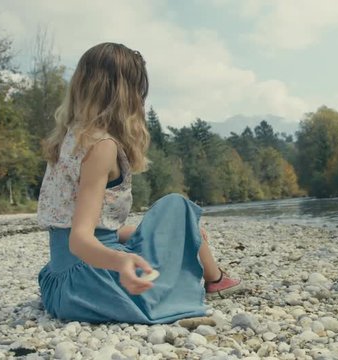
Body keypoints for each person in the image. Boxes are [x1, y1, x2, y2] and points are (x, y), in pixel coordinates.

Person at [36, 42, 243, 324]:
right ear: (128, 95)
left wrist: (144, 235)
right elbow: (80, 239)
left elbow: (85, 228)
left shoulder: (67, 138)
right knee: (177, 206)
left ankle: (212, 274)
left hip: (60, 286)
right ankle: (215, 279)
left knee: (180, 229)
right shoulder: (101, 145)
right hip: (93, 284)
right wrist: (123, 262)